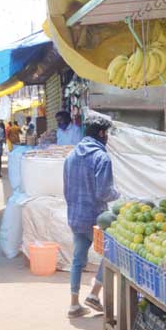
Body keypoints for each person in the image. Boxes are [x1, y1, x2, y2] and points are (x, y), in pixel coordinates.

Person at [63, 114, 119, 318]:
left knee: (77, 259)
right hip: (96, 218)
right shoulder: (101, 157)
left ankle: (74, 304)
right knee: (111, 254)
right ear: (102, 134)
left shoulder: (70, 156)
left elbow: (66, 188)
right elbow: (104, 192)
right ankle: (95, 293)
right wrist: (119, 194)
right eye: (107, 134)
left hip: (75, 215)